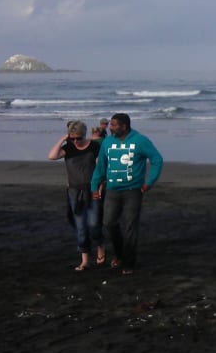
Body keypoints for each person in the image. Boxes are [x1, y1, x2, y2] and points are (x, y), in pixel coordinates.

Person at [90, 113, 163, 275]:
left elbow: (157, 159)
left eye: (114, 125)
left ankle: (128, 263)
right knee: (108, 223)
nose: (110, 127)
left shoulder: (140, 140)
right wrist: (95, 186)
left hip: (133, 191)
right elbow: (101, 165)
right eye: (110, 124)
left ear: (124, 126)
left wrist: (149, 182)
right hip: (112, 190)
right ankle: (119, 254)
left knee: (130, 226)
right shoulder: (108, 142)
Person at [49, 120, 104, 271]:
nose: (75, 141)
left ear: (84, 135)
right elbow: (52, 156)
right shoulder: (68, 148)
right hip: (75, 192)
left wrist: (100, 186)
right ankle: (84, 260)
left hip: (92, 189)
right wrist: (62, 139)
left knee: (93, 224)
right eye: (72, 138)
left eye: (78, 138)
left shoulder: (94, 146)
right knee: (80, 227)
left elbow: (101, 168)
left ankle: (99, 245)